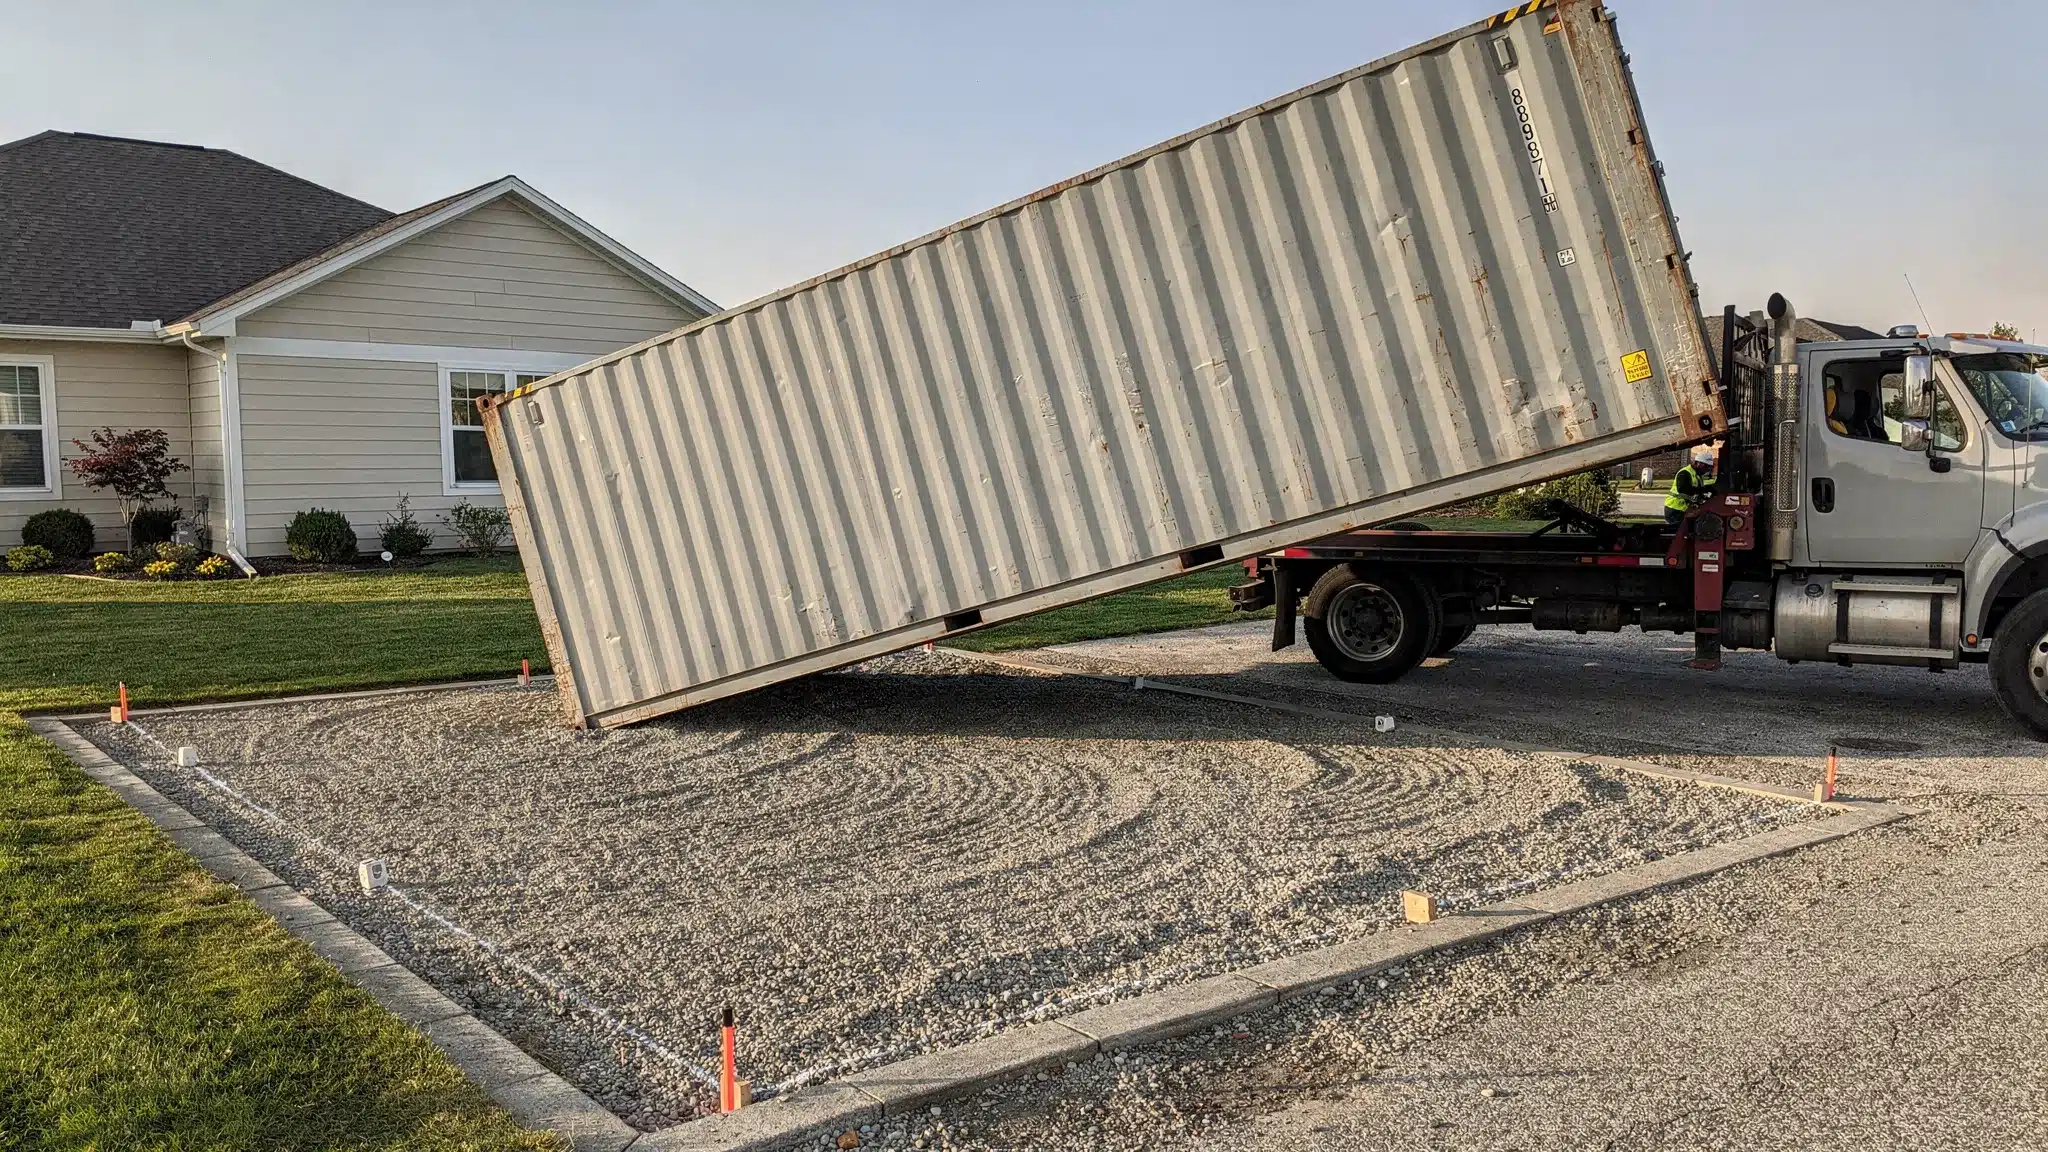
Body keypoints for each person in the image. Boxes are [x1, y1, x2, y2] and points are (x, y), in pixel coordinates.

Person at [1664, 447, 1716, 525]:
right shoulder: (1685, 473)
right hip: (1675, 509)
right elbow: (1682, 489)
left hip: (1683, 509)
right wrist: (1703, 490)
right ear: (1699, 463)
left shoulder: (1697, 475)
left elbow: (1697, 490)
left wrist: (1707, 491)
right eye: (1707, 467)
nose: (1707, 470)